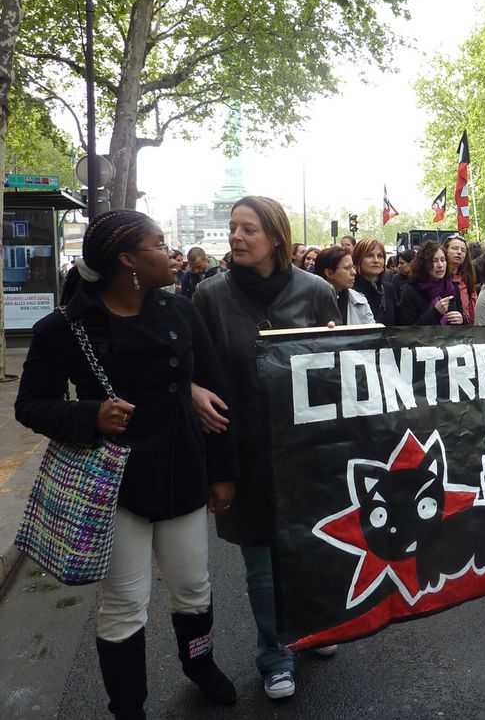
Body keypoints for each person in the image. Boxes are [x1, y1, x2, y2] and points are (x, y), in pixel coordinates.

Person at [15, 211, 239, 718]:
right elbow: (29, 405)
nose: (171, 252)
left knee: (193, 587)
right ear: (128, 260)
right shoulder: (64, 327)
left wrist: (223, 471)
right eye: (160, 244)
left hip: (182, 468)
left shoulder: (180, 311)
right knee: (124, 603)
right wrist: (89, 414)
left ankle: (200, 665)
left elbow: (215, 391)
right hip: (114, 481)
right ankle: (128, 705)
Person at [191, 196, 340, 700]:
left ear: (275, 237)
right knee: (262, 563)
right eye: (232, 228)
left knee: (313, 546)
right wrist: (192, 392)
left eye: (247, 229)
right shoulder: (209, 297)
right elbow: (192, 366)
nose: (235, 237)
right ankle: (275, 653)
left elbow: (339, 368)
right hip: (244, 448)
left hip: (307, 448)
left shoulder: (317, 291)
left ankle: (315, 627)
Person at [399, 240, 464, 325]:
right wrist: (435, 312)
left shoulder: (452, 288)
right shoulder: (411, 290)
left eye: (443, 260)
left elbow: (461, 323)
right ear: (424, 264)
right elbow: (408, 330)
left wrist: (462, 319)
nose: (440, 265)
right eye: (434, 261)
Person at [315, 245, 375, 326]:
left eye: (353, 267)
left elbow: (372, 332)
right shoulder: (311, 302)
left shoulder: (360, 301)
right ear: (329, 273)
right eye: (347, 268)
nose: (354, 272)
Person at [352, 238, 397, 326]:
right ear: (358, 260)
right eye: (369, 255)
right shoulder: (350, 290)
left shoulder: (388, 289)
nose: (376, 260)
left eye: (380, 256)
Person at [444, 235, 478, 325]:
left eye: (463, 250)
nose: (459, 252)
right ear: (445, 250)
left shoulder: (467, 279)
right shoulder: (437, 278)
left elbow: (472, 310)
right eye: (455, 248)